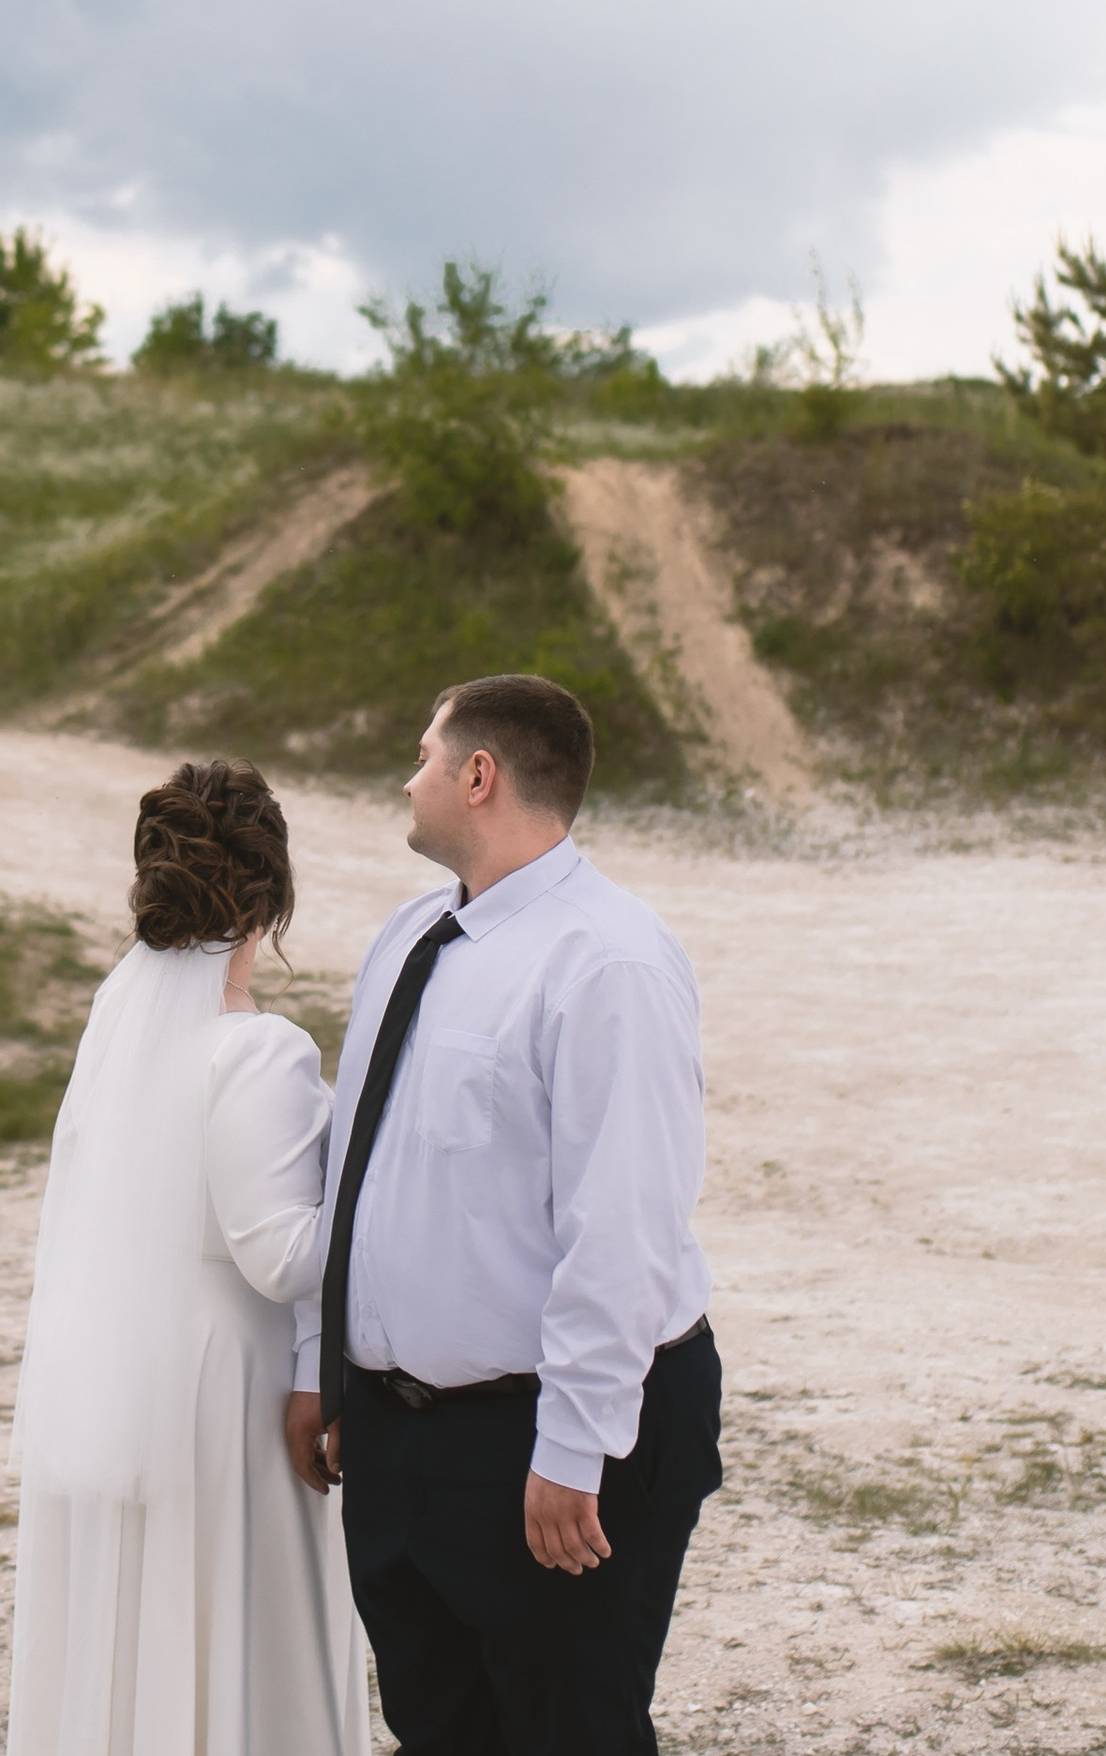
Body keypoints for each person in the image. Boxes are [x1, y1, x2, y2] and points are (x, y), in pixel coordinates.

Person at [284, 674, 720, 1756]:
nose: (407, 774)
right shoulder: (409, 936)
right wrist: (322, 1365)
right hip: (396, 1435)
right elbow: (354, 1166)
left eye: (423, 753)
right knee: (439, 1730)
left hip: (551, 1435)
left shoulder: (607, 959)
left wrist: (573, 1445)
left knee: (570, 1731)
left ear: (478, 777)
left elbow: (622, 1223)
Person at [7, 758, 369, 1756]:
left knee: (150, 1617)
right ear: (270, 900)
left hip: (136, 1367)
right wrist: (388, 1182)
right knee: (242, 1622)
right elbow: (285, 1258)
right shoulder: (255, 1050)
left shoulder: (118, 1023)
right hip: (228, 1393)